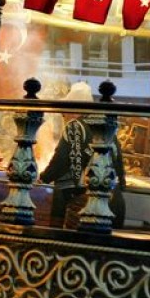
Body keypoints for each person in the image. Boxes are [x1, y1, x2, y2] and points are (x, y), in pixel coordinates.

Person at [40, 82, 126, 230]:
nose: (63, 115)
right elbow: (119, 165)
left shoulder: (75, 126)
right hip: (117, 204)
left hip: (88, 204)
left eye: (64, 111)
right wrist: (122, 184)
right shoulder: (106, 126)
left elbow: (61, 160)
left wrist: (43, 178)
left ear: (74, 110)